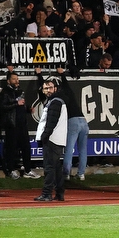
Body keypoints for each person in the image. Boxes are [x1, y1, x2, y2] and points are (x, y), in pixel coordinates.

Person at [0, 72, 35, 179]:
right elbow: (2, 107)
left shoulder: (20, 91)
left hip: (22, 125)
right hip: (11, 125)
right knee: (11, 148)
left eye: (17, 79)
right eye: (14, 79)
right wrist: (17, 104)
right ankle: (11, 170)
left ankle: (27, 170)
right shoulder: (4, 92)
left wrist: (28, 109)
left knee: (26, 147)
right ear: (8, 81)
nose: (17, 81)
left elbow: (22, 105)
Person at [35, 74, 68, 202]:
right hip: (57, 139)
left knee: (49, 168)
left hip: (52, 139)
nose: (48, 90)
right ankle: (60, 193)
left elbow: (51, 122)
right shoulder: (56, 101)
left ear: (55, 88)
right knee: (56, 168)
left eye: (50, 87)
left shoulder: (55, 102)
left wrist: (45, 136)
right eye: (45, 88)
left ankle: (47, 193)